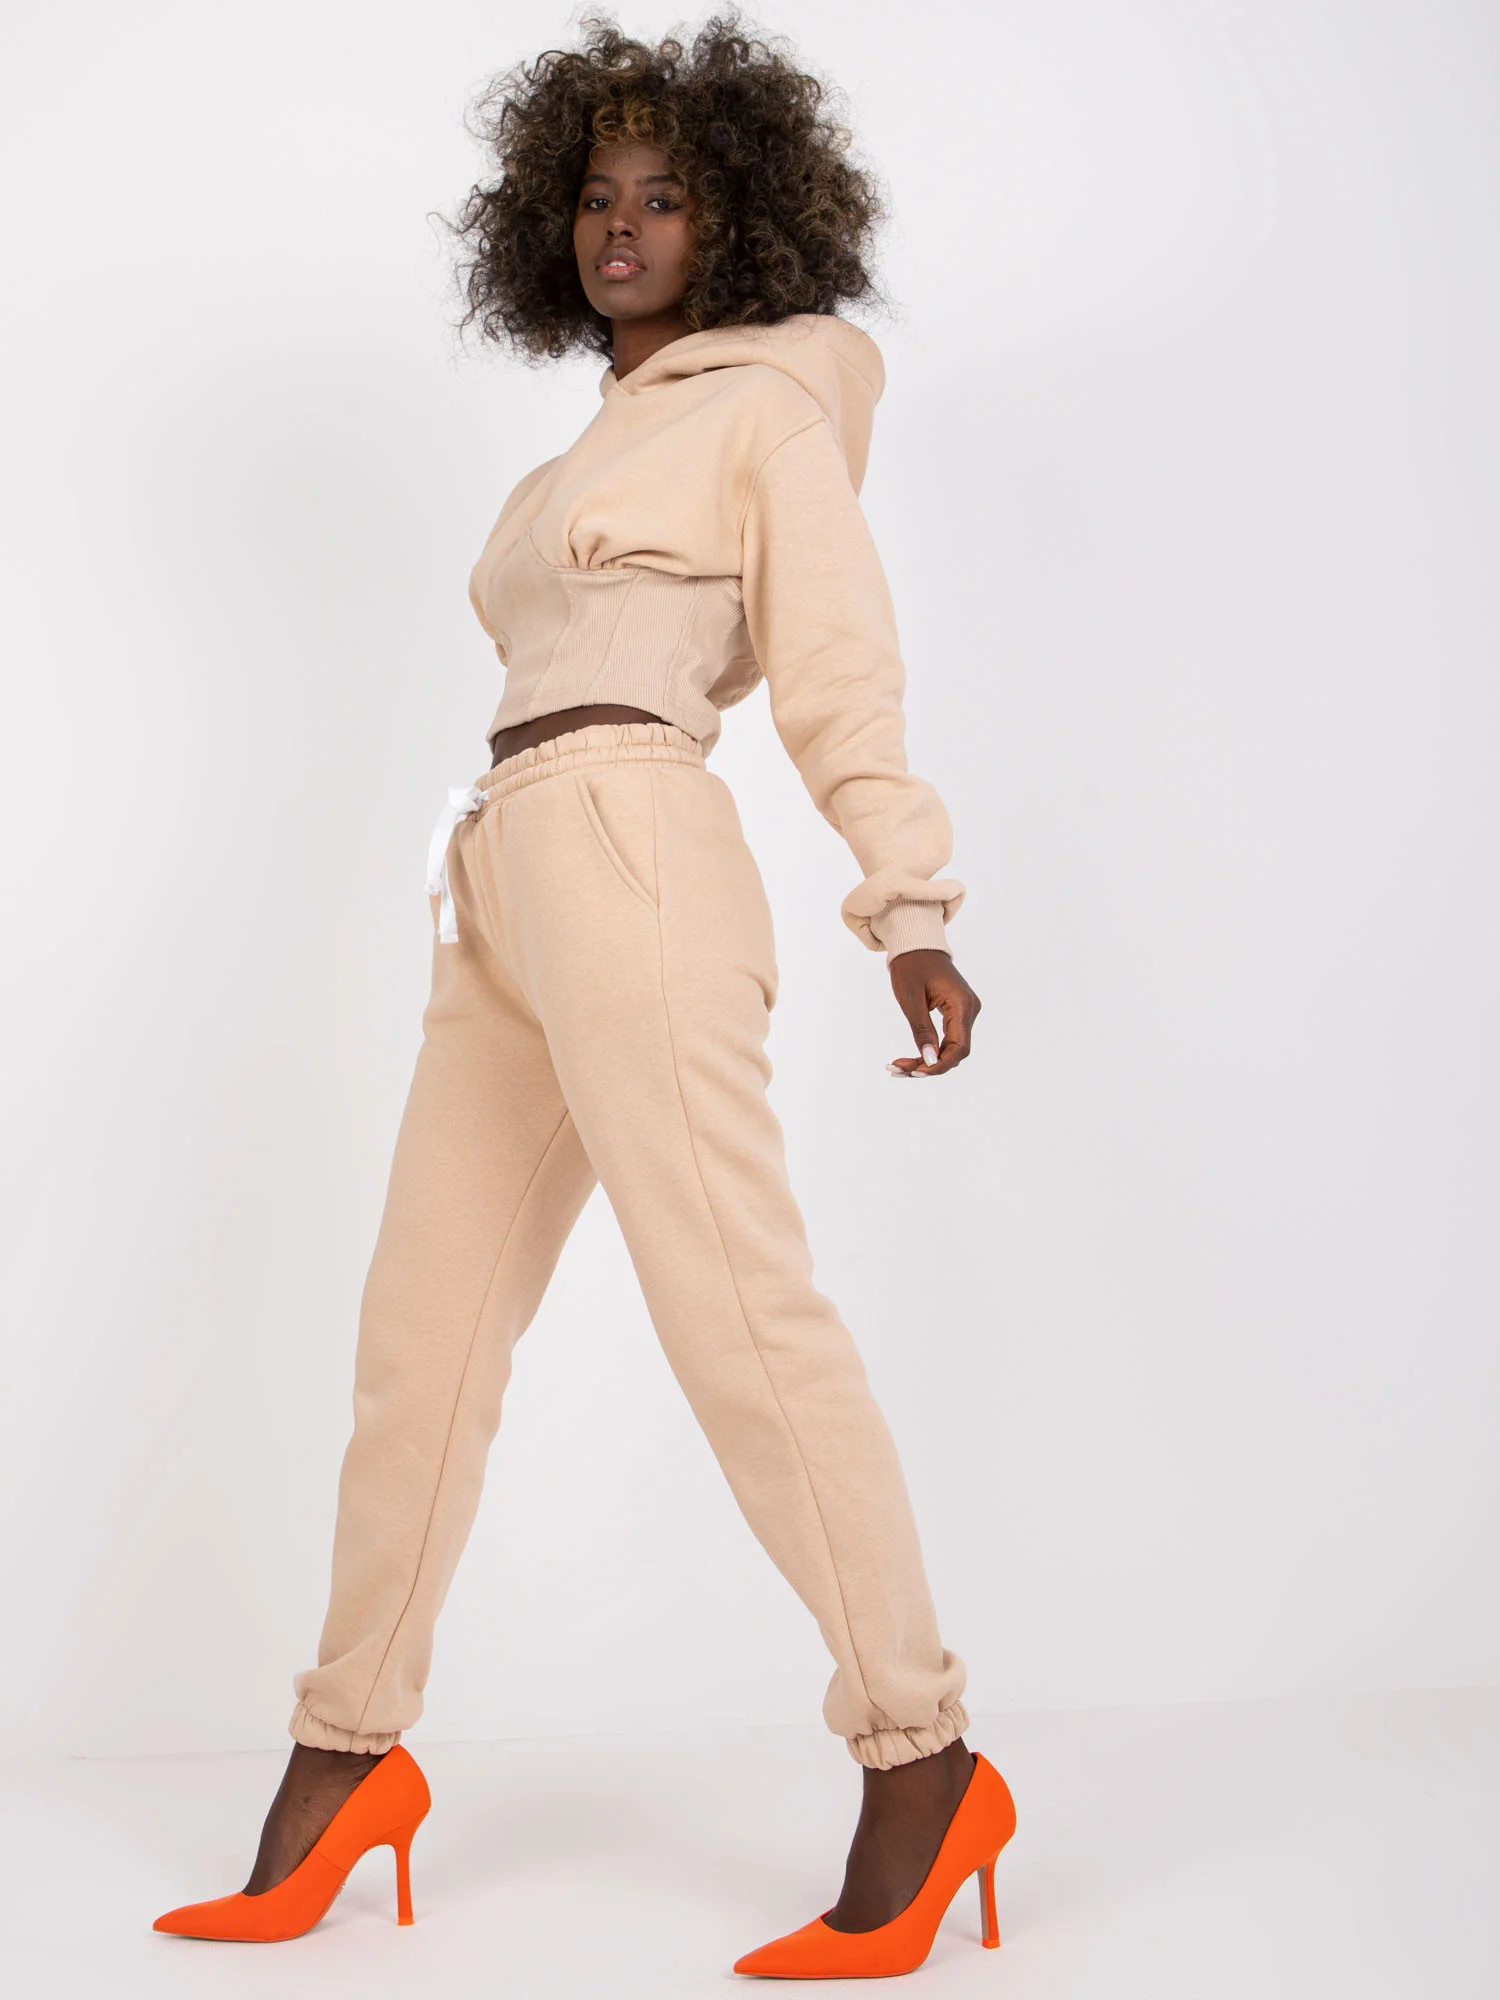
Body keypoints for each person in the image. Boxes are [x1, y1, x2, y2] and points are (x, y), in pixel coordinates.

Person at [152, 11, 1016, 1977]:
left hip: (634, 843)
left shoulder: (765, 414)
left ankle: (924, 1751)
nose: (622, 226)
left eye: (667, 196)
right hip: (505, 878)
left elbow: (840, 670)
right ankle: (344, 1748)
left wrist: (908, 905)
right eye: (596, 195)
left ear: (743, 222)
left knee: (739, 1322)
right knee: (420, 1338)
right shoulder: (586, 449)